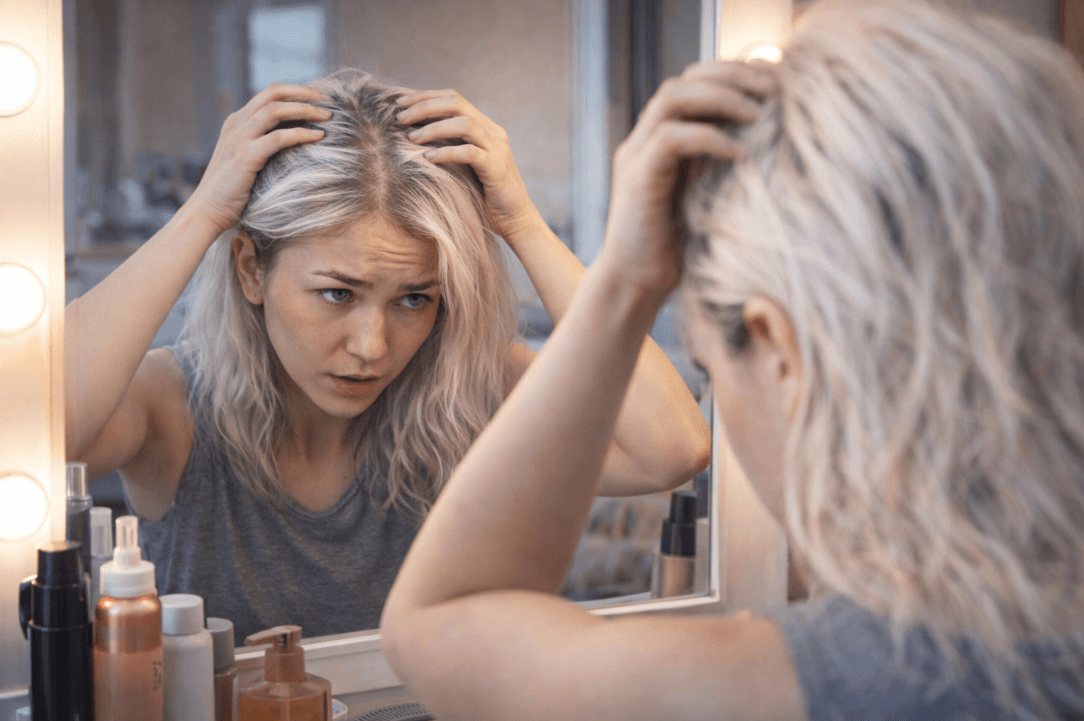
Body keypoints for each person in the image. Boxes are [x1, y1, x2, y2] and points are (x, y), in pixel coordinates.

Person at [380, 1, 1084, 718]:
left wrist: (626, 282)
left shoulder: (822, 678)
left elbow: (441, 623)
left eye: (713, 374)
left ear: (779, 351)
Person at [66, 70, 710, 642]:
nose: (371, 348)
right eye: (337, 293)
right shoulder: (173, 407)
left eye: (413, 300)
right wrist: (202, 214)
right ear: (251, 270)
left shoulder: (466, 397)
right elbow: (32, 431)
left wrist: (520, 222)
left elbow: (672, 448)